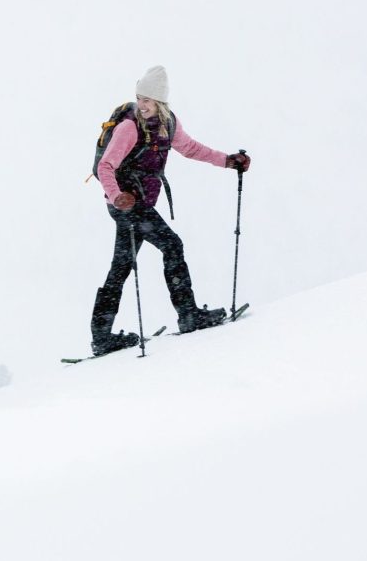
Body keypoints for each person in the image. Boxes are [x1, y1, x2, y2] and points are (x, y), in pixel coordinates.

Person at [91, 66, 251, 355]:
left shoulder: (168, 125)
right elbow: (105, 167)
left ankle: (101, 336)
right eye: (139, 98)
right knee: (172, 245)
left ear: (161, 103)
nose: (141, 105)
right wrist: (117, 197)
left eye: (147, 101)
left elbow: (191, 149)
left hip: (138, 204)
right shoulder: (129, 127)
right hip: (125, 205)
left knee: (122, 265)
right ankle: (188, 314)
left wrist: (227, 161)